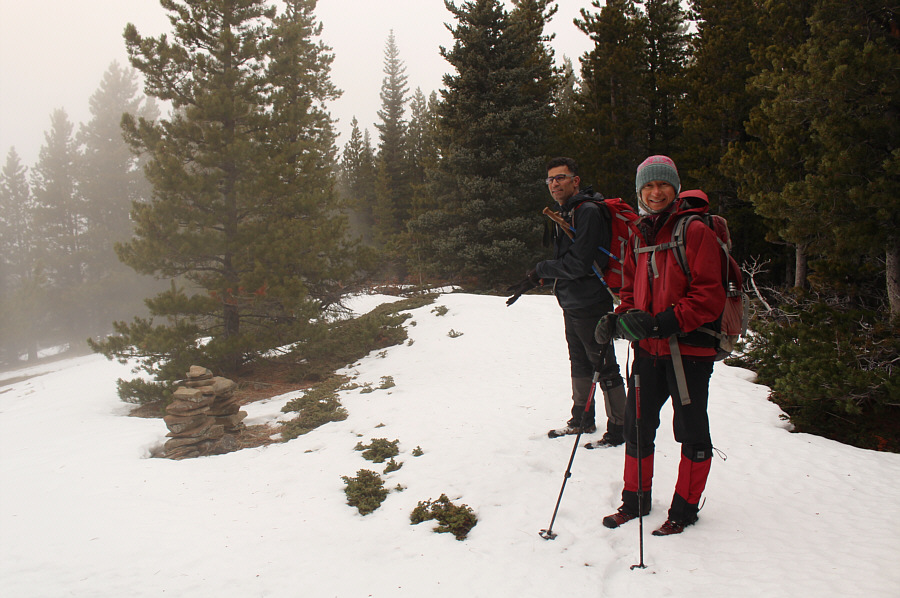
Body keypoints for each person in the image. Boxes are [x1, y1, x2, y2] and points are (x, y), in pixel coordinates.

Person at [595, 155, 726, 535]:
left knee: (690, 429)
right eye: (648, 187)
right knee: (637, 426)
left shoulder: (695, 231)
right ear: (639, 192)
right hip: (649, 349)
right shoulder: (638, 234)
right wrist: (619, 317)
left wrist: (662, 321)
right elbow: (628, 291)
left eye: (663, 185)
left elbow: (708, 296)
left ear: (675, 187)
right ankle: (634, 501)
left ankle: (684, 511)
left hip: (689, 350)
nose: (656, 192)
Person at [506, 157, 626, 447]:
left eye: (561, 177)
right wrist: (539, 278)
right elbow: (569, 263)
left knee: (603, 363)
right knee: (580, 361)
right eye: (550, 179)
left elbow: (580, 263)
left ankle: (621, 429)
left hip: (591, 303)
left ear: (576, 180)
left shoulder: (587, 212)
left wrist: (541, 270)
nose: (555, 183)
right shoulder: (569, 211)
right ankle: (581, 419)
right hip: (573, 301)